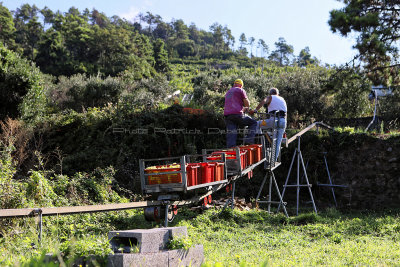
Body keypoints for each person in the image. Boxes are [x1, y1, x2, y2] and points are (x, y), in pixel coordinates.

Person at [250, 88, 287, 161]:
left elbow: (263, 101)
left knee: (256, 124)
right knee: (278, 142)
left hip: (273, 120)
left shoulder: (270, 97)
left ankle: (259, 140)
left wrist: (255, 110)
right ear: (278, 94)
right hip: (283, 121)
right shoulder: (283, 99)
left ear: (271, 93)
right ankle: (274, 160)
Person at [223, 79, 257, 148]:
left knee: (232, 133)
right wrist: (247, 107)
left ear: (234, 84)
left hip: (228, 116)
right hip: (237, 114)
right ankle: (249, 140)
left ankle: (231, 149)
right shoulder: (240, 90)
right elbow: (247, 104)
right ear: (241, 85)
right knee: (253, 122)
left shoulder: (228, 92)